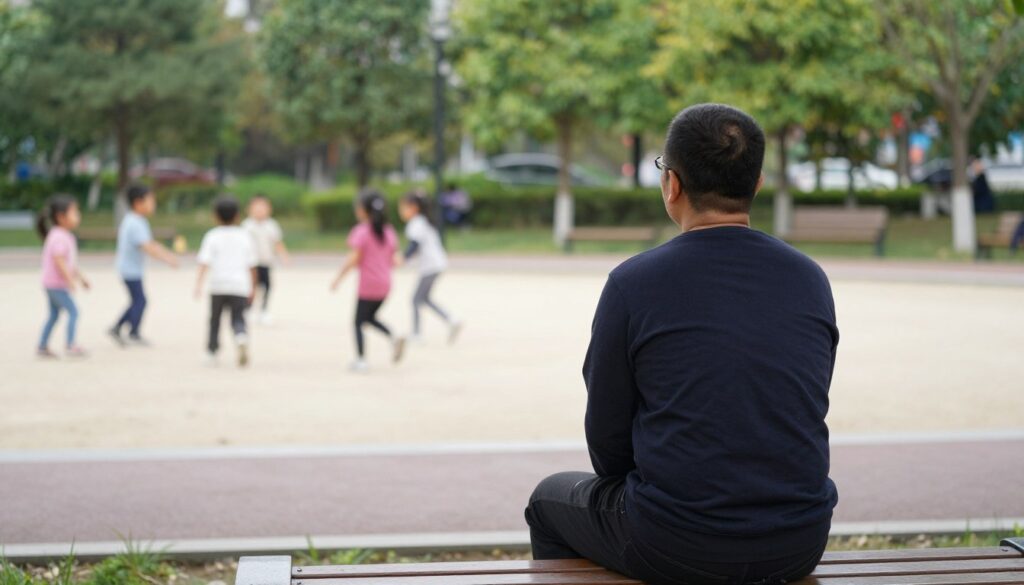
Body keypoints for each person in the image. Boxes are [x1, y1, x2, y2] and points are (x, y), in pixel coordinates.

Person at [524, 104, 838, 585]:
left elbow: (607, 439)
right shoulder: (809, 279)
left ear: (671, 184)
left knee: (548, 501)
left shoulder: (634, 283)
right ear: (755, 185)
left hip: (674, 542)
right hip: (800, 540)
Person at [329, 190, 406, 372]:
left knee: (358, 322)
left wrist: (338, 278)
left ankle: (361, 359)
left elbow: (353, 259)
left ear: (363, 210)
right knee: (369, 318)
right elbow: (394, 260)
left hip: (368, 284)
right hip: (385, 284)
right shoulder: (388, 231)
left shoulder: (361, 232)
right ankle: (393, 336)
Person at [109, 185, 179, 346]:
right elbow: (147, 247)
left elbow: (150, 243)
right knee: (140, 301)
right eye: (150, 200)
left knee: (138, 301)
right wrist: (167, 259)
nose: (153, 204)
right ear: (138, 203)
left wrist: (167, 253)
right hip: (129, 270)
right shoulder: (134, 223)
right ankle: (128, 330)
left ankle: (124, 329)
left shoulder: (138, 220)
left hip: (131, 269)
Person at [194, 196, 257, 368]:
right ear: (238, 216)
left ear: (215, 216)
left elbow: (204, 262)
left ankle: (212, 351)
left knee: (215, 320)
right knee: (238, 318)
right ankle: (240, 336)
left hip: (218, 286)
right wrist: (253, 287)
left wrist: (198, 284)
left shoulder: (212, 236)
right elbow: (252, 265)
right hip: (239, 286)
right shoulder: (245, 236)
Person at [398, 191, 462, 344]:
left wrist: (403, 258)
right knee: (424, 298)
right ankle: (451, 320)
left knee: (415, 299)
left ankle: (417, 334)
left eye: (403, 207)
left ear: (413, 207)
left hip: (430, 266)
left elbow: (414, 245)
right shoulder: (424, 221)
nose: (401, 211)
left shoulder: (416, 223)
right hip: (437, 264)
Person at [36, 195, 90, 358]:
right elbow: (59, 261)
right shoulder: (59, 236)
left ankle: (42, 346)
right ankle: (70, 345)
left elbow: (69, 263)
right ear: (61, 217)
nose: (78, 216)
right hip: (56, 285)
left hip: (51, 284)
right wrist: (69, 280)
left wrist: (81, 277)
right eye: (74, 212)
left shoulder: (62, 235)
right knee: (74, 312)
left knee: (54, 315)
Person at [242, 194, 290, 325]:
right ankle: (248, 309)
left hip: (266, 262)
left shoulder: (271, 225)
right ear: (250, 210)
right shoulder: (247, 226)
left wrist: (284, 256)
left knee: (267, 287)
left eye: (263, 208)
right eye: (256, 208)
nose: (260, 211)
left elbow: (277, 243)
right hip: (251, 263)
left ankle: (264, 311)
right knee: (251, 287)